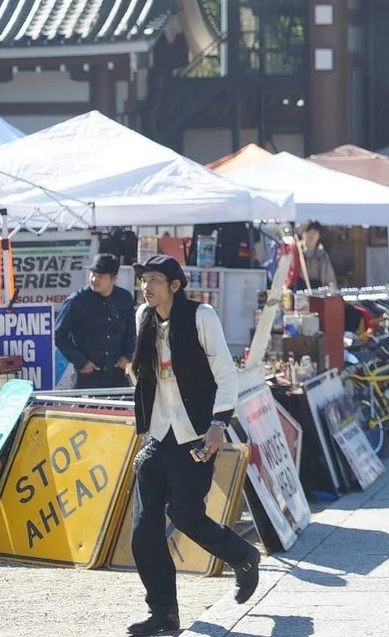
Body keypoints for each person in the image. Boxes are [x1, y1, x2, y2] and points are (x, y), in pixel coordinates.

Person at [125, 256, 260, 637]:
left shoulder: (201, 316)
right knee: (144, 529)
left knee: (186, 516)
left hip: (195, 434)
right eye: (143, 280)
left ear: (174, 285)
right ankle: (163, 613)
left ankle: (242, 556)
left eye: (154, 280)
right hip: (157, 435)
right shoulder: (143, 316)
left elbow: (225, 374)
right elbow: (149, 374)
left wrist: (218, 425)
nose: (146, 287)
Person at [56, 252, 136, 390]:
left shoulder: (124, 299)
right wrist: (81, 362)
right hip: (87, 378)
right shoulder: (77, 301)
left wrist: (127, 356)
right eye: (93, 273)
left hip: (117, 376)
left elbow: (131, 331)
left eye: (100, 276)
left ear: (113, 278)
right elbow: (58, 334)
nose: (94, 279)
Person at [293, 220, 339, 291]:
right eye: (309, 232)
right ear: (303, 234)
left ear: (319, 235)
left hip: (319, 292)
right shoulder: (296, 253)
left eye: (314, 232)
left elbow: (330, 279)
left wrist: (331, 290)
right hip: (299, 291)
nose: (311, 235)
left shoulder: (322, 256)